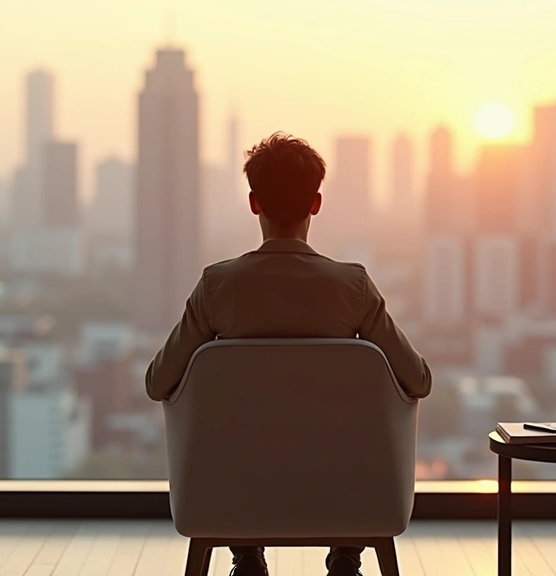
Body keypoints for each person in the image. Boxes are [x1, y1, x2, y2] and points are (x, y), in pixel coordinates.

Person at [146, 132, 432, 576]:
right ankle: (346, 549)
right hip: (341, 493)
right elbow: (418, 380)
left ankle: (245, 551)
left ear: (253, 202)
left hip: (235, 496)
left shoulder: (217, 288)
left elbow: (158, 382)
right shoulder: (352, 288)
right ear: (315, 203)